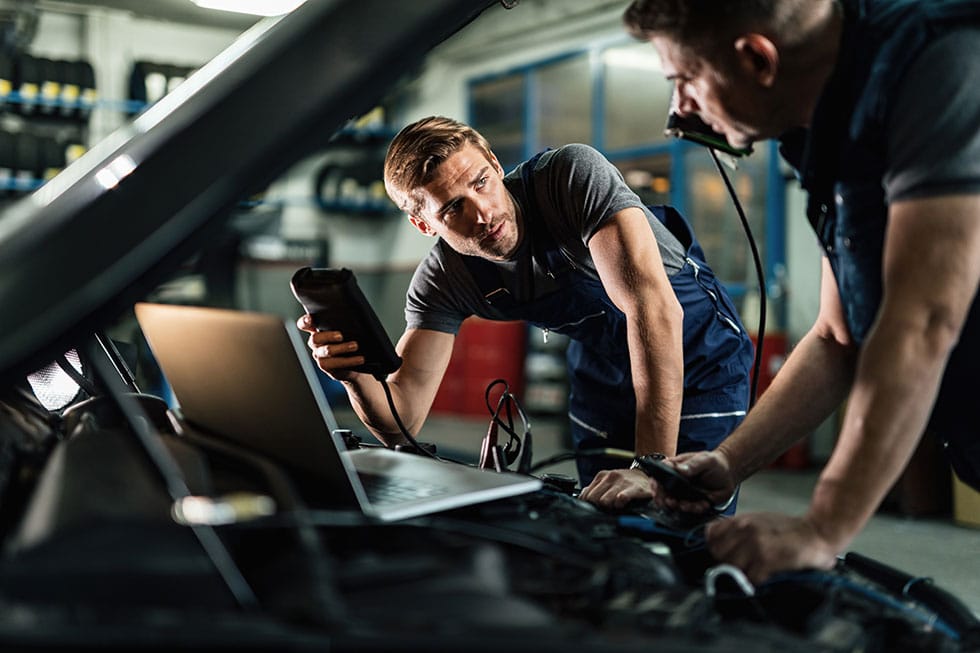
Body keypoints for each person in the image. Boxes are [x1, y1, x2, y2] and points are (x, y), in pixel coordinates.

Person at [623, 0, 980, 582]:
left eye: (683, 79)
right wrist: (728, 461)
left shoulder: (941, 66)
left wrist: (821, 528)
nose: (679, 108)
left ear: (756, 59)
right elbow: (838, 337)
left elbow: (924, 318)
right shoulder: (829, 136)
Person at [298, 115, 753, 510]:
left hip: (698, 359)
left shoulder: (570, 179)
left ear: (496, 165)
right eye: (453, 207)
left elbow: (653, 313)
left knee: (685, 517)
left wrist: (649, 467)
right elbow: (404, 421)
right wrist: (354, 374)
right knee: (601, 520)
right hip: (603, 374)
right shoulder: (445, 279)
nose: (483, 214)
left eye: (481, 183)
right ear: (424, 224)